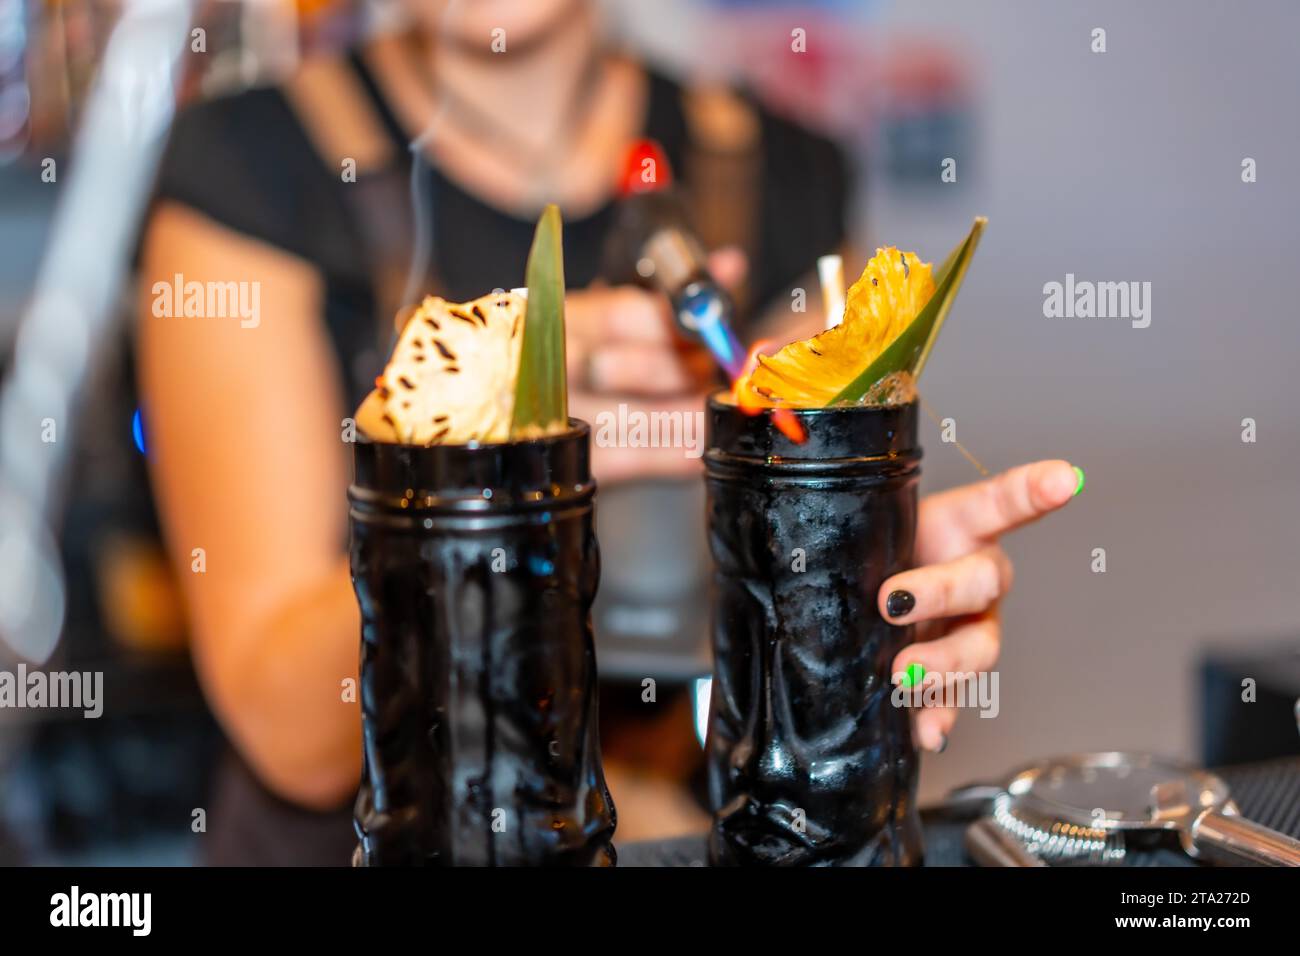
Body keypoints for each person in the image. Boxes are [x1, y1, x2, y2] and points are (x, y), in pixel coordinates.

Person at [136, 0, 1077, 863]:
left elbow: (778, 636)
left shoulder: (788, 170)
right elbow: (287, 734)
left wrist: (858, 598)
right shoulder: (244, 164)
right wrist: (486, 476)